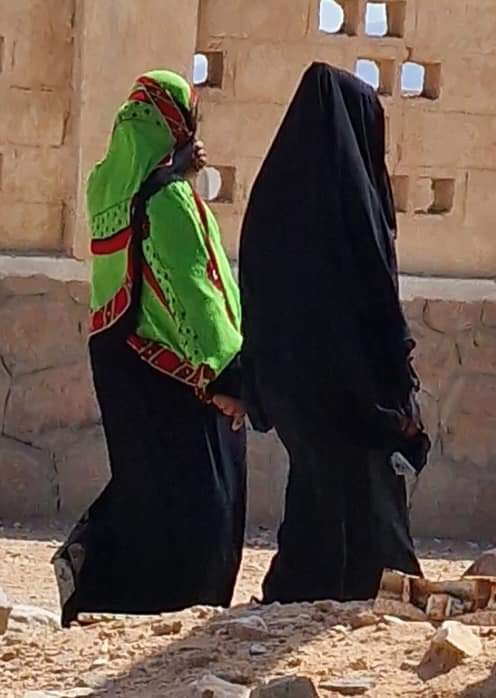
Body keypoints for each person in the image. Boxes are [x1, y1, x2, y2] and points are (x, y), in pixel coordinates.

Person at [53, 70, 246, 626]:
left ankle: (102, 589)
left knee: (146, 493)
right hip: (179, 372)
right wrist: (229, 377)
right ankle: (183, 613)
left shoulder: (108, 184)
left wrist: (175, 166)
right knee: (201, 504)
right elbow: (195, 289)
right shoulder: (171, 198)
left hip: (120, 360)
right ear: (177, 124)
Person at [239, 62, 430, 605]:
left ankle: (308, 587)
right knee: (365, 494)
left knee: (320, 489)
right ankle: (375, 592)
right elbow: (373, 296)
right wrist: (397, 382)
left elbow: (254, 288)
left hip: (292, 382)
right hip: (350, 385)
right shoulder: (352, 205)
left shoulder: (274, 194)